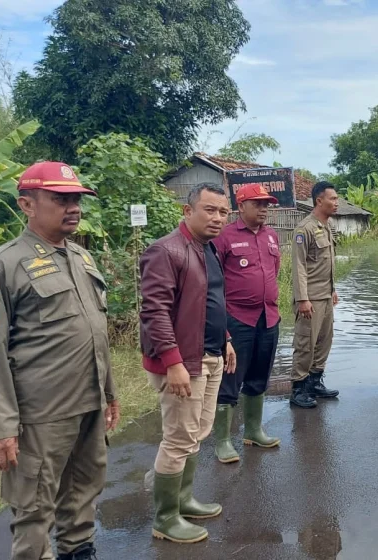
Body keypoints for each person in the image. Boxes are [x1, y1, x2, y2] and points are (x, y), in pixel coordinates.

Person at [0, 161, 118, 560]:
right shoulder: (4, 264)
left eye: (76, 199)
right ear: (27, 204)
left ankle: (78, 550)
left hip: (88, 402)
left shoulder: (80, 258)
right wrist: (1, 426)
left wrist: (110, 392)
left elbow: (96, 333)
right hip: (41, 413)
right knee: (35, 506)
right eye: (60, 199)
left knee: (85, 489)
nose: (73, 207)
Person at [139, 183, 237, 544]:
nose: (217, 218)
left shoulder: (208, 249)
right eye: (209, 210)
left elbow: (210, 300)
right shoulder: (166, 250)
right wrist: (173, 362)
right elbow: (154, 311)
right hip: (183, 361)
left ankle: (182, 499)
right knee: (180, 438)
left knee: (199, 431)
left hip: (210, 354)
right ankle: (165, 518)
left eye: (223, 212)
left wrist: (225, 340)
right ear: (187, 210)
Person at [211, 183, 283, 464]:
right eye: (258, 203)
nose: (264, 208)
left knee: (259, 375)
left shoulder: (272, 236)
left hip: (269, 317)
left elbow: (274, 272)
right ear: (241, 206)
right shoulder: (224, 238)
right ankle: (223, 441)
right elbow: (213, 284)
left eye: (267, 203)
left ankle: (253, 430)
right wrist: (223, 327)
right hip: (237, 318)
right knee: (230, 379)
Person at [289, 182, 341, 409]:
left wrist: (333, 289)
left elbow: (325, 263)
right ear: (319, 201)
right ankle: (298, 389)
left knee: (323, 342)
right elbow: (299, 266)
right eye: (333, 199)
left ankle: (314, 382)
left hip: (325, 296)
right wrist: (302, 299)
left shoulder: (326, 226)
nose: (337, 203)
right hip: (309, 298)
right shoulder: (305, 229)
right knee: (305, 344)